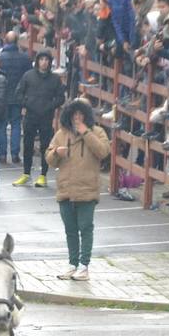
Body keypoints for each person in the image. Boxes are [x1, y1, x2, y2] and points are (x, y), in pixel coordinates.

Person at [45, 98, 110, 281]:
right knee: (70, 229)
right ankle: (72, 264)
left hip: (87, 189)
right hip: (65, 189)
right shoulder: (61, 133)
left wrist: (86, 133)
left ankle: (84, 266)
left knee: (86, 228)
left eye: (81, 114)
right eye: (74, 115)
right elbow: (49, 159)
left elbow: (103, 151)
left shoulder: (97, 132)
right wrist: (56, 152)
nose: (77, 118)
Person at [13, 50, 64, 187]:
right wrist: (27, 103)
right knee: (28, 145)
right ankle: (26, 174)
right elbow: (18, 93)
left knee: (45, 146)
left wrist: (50, 106)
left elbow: (61, 97)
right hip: (30, 115)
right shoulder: (28, 76)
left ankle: (43, 175)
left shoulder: (55, 79)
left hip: (46, 117)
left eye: (47, 60)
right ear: (37, 61)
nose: (44, 62)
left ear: (50, 62)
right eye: (41, 59)